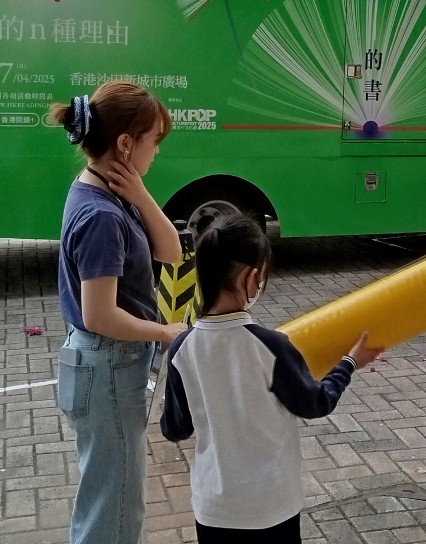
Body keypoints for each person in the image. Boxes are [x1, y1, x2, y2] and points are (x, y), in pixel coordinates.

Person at [160, 213, 383, 544]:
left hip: (214, 507)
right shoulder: (271, 346)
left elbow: (175, 428)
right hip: (271, 505)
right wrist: (349, 362)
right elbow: (316, 402)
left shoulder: (182, 349)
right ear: (252, 278)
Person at [50, 81, 187, 544]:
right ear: (126, 143)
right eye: (155, 141)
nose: (157, 151)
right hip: (107, 365)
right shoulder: (102, 216)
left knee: (108, 500)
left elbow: (171, 251)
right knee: (115, 510)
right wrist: (165, 333)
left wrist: (142, 193)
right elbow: (100, 315)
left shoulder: (109, 194)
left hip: (103, 366)